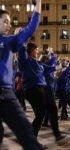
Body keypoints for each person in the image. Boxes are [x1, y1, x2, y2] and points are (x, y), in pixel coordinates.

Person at [0, 0, 44, 149]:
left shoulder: (7, 41)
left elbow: (30, 29)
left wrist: (38, 4)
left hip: (6, 94)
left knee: (27, 135)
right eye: (5, 22)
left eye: (10, 22)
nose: (9, 25)